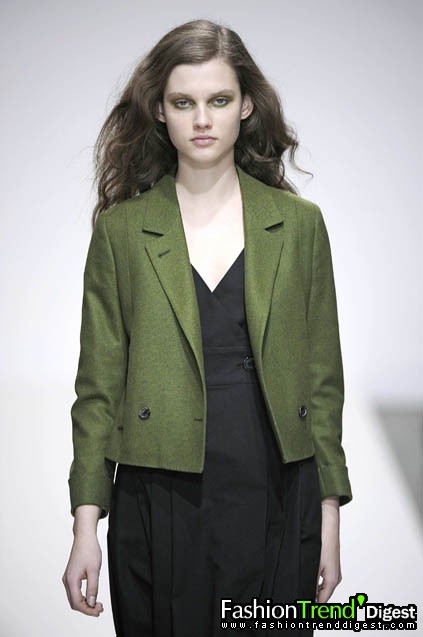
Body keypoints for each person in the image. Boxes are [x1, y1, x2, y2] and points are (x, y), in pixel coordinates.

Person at [62, 18, 353, 637]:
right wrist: (85, 524)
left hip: (278, 486)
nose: (202, 120)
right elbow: (99, 389)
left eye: (218, 100)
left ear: (246, 106)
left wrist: (329, 514)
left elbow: (322, 379)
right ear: (159, 111)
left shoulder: (299, 225)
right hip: (160, 494)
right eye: (183, 102)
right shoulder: (122, 232)